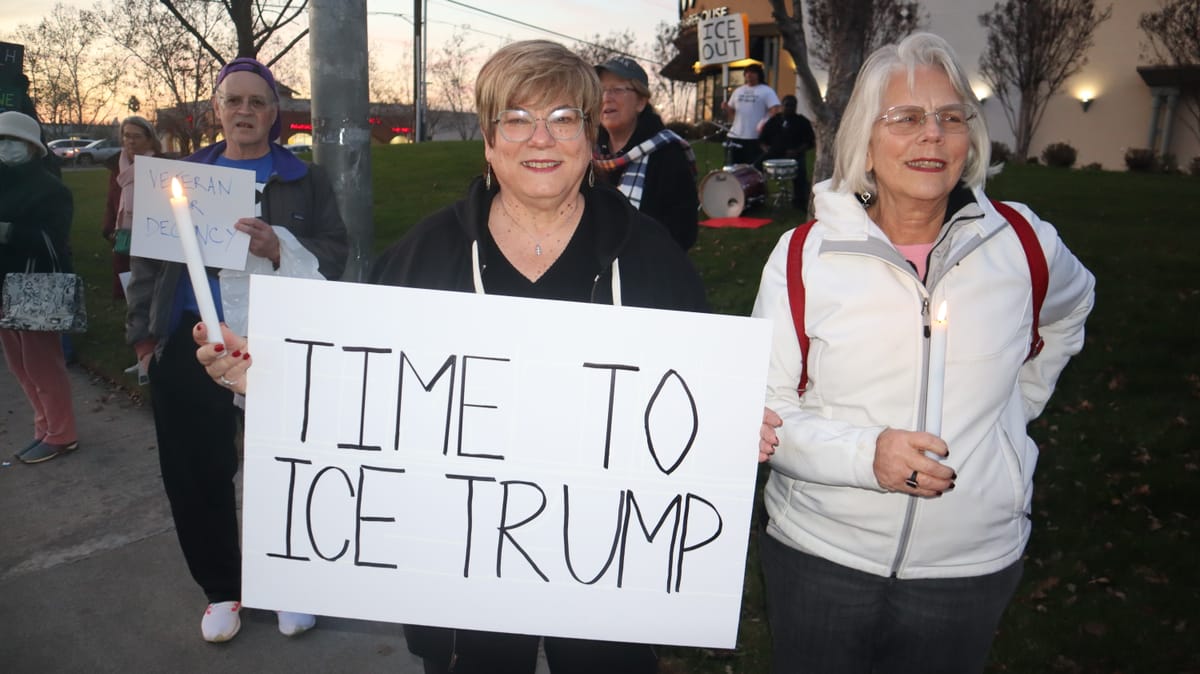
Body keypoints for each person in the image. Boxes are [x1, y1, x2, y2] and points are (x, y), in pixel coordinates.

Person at [197, 40, 707, 674]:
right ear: (490, 142)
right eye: (516, 119)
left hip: (607, 568)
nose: (540, 139)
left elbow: (695, 400)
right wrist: (267, 378)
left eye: (563, 119)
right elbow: (359, 388)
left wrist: (728, 426)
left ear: (589, 137)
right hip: (463, 575)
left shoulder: (652, 256)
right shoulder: (424, 257)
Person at [751, 33, 1094, 673]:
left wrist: (1019, 402)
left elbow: (1073, 305)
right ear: (866, 142)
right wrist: (865, 456)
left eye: (950, 117)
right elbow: (765, 414)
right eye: (905, 118)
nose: (931, 135)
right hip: (821, 555)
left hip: (968, 566)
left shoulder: (1024, 244)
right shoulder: (805, 257)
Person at [125, 57, 348, 644]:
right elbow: (148, 263)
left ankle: (290, 583)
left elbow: (336, 252)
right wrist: (145, 339)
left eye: (257, 102)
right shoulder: (180, 178)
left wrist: (280, 247)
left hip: (273, 346)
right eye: (234, 101)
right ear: (216, 110)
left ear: (273, 114)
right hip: (192, 340)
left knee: (283, 468)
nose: (245, 111)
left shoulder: (305, 178)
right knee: (197, 472)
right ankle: (222, 589)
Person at [0, 110, 79, 464]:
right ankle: (44, 425)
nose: (5, 148)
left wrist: (10, 232)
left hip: (38, 286)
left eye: (11, 141)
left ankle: (62, 432)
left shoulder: (50, 189)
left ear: (32, 148)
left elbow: (54, 242)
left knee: (42, 364)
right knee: (18, 364)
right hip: (6, 285)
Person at [593, 55, 699, 250]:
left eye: (617, 89)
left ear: (641, 101)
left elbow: (683, 233)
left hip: (648, 270)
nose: (606, 97)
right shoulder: (589, 152)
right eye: (600, 90)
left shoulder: (668, 154)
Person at [101, 115, 161, 300]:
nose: (131, 141)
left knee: (153, 289)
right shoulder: (118, 167)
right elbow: (112, 201)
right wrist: (109, 229)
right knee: (128, 288)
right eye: (127, 136)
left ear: (149, 139)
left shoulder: (160, 165)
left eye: (137, 136)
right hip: (124, 237)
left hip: (152, 236)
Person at [758, 94, 815, 208]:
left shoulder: (802, 122)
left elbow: (810, 142)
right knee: (755, 168)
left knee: (800, 172)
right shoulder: (774, 120)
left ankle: (799, 201)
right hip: (774, 154)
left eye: (792, 106)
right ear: (781, 106)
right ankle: (758, 197)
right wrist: (766, 148)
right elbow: (762, 139)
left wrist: (797, 151)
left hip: (795, 155)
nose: (789, 108)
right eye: (786, 105)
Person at [721, 63, 780, 167]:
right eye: (747, 72)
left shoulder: (766, 91)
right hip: (736, 135)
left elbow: (774, 109)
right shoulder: (738, 91)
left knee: (753, 168)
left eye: (752, 72)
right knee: (734, 167)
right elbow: (732, 114)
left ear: (759, 75)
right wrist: (726, 108)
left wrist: (764, 122)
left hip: (755, 137)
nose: (749, 75)